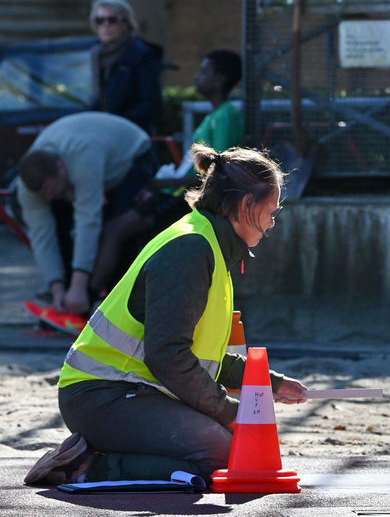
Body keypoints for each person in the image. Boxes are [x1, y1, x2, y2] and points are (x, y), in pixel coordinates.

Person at [23, 144, 309, 487]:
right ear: (247, 204)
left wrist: (270, 383)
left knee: (232, 446)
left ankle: (109, 458)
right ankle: (84, 467)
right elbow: (169, 356)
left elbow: (206, 359)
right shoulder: (192, 249)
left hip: (130, 391)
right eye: (272, 210)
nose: (273, 221)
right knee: (223, 453)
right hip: (103, 396)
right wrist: (231, 411)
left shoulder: (209, 244)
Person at [89, 50, 246, 295]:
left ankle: (86, 300)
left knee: (114, 232)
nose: (197, 76)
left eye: (204, 71)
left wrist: (164, 184)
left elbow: (218, 171)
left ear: (219, 80)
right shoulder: (215, 115)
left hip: (175, 198)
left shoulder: (226, 115)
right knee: (120, 233)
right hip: (172, 193)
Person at [16, 112, 158, 318]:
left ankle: (113, 307)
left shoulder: (82, 157)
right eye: (42, 194)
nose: (48, 196)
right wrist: (57, 287)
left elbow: (88, 220)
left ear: (60, 168)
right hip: (87, 156)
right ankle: (67, 302)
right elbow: (42, 237)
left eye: (51, 189)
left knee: (115, 231)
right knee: (59, 226)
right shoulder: (27, 188)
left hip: (129, 156)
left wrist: (80, 284)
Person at [89, 0, 164, 134]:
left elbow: (151, 104)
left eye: (112, 20)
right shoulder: (94, 54)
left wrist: (120, 123)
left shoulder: (141, 54)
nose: (105, 25)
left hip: (131, 132)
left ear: (125, 23)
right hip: (99, 130)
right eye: (100, 20)